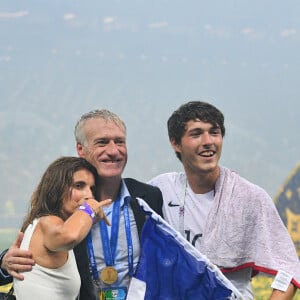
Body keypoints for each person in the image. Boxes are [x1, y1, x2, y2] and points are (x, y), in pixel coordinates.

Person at [0, 109, 163, 300]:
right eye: (102, 142)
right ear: (80, 149)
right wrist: (4, 263)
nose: (113, 151)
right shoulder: (64, 208)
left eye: (119, 141)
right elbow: (34, 250)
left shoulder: (148, 197)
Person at [148, 101, 300, 299]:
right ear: (175, 143)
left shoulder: (250, 197)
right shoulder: (161, 189)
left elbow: (289, 270)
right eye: (196, 134)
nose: (208, 141)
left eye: (214, 132)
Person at [13, 156, 111, 299]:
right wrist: (88, 209)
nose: (89, 195)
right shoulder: (48, 222)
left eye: (91, 188)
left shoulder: (44, 223)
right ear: (56, 187)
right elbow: (69, 236)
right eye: (79, 186)